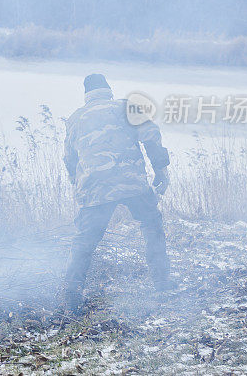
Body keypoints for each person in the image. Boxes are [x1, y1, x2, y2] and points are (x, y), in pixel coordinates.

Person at [63, 73, 175, 312]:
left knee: (84, 241)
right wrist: (161, 172)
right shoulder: (127, 107)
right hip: (132, 182)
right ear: (109, 91)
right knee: (151, 225)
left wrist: (79, 186)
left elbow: (70, 160)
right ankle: (163, 284)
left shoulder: (75, 119)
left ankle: (71, 294)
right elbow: (152, 138)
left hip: (95, 189)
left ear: (86, 96)